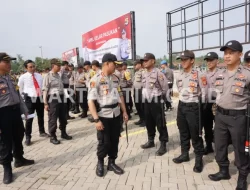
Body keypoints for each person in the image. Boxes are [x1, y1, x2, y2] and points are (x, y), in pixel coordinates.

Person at [208, 40, 250, 190]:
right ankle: (223, 171)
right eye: (225, 53)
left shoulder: (246, 74)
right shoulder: (220, 74)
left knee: (239, 149)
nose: (227, 56)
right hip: (220, 116)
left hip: (238, 117)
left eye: (231, 53)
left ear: (240, 54)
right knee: (219, 145)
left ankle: (242, 178)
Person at [88, 53, 128, 177]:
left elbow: (120, 95)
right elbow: (91, 101)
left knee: (115, 140)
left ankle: (112, 162)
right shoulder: (96, 79)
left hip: (116, 114)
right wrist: (96, 120)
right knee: (104, 142)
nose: (116, 66)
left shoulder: (116, 78)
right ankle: (100, 162)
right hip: (103, 115)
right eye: (114, 64)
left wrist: (124, 111)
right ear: (106, 64)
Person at [0, 53, 34, 184]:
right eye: (6, 62)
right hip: (3, 114)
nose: (9, 64)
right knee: (5, 142)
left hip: (15, 112)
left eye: (10, 62)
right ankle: (7, 168)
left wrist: (24, 110)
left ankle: (19, 159)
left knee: (18, 135)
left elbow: (18, 95)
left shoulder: (11, 77)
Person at [173, 50, 207, 173]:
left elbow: (205, 93)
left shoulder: (199, 74)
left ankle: (199, 159)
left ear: (192, 60)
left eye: (185, 60)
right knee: (183, 131)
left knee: (196, 134)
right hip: (182, 106)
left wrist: (199, 108)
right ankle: (185, 154)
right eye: (181, 60)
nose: (183, 62)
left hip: (194, 107)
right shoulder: (180, 75)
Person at [140, 53, 169, 156]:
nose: (144, 62)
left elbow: (165, 88)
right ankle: (151, 140)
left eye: (146, 60)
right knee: (149, 122)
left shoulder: (159, 73)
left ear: (153, 61)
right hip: (147, 101)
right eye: (143, 60)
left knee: (160, 122)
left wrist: (163, 100)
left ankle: (163, 144)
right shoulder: (144, 73)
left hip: (157, 100)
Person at [18, 60, 49, 146]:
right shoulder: (22, 77)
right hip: (29, 99)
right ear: (26, 68)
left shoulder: (39, 76)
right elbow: (20, 90)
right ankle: (28, 136)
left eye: (33, 66)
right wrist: (23, 101)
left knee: (41, 116)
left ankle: (42, 131)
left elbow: (41, 86)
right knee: (29, 119)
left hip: (39, 98)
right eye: (30, 67)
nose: (32, 68)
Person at [42, 59, 72, 145]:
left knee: (63, 117)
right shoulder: (48, 76)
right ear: (53, 66)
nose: (59, 67)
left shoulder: (58, 75)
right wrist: (45, 103)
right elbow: (45, 90)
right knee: (53, 118)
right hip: (53, 99)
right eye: (58, 66)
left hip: (61, 97)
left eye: (60, 65)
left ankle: (63, 133)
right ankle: (53, 136)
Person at [203, 52, 219, 155]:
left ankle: (220, 148)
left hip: (218, 102)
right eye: (207, 60)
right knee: (207, 125)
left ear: (217, 61)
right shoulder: (204, 74)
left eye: (211, 60)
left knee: (219, 127)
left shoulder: (222, 73)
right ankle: (208, 146)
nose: (209, 62)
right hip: (206, 102)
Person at [133, 60, 145, 127]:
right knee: (137, 106)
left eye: (135, 65)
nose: (134, 66)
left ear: (139, 65)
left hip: (141, 91)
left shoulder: (143, 72)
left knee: (142, 107)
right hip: (136, 91)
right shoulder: (136, 72)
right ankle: (141, 119)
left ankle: (145, 121)